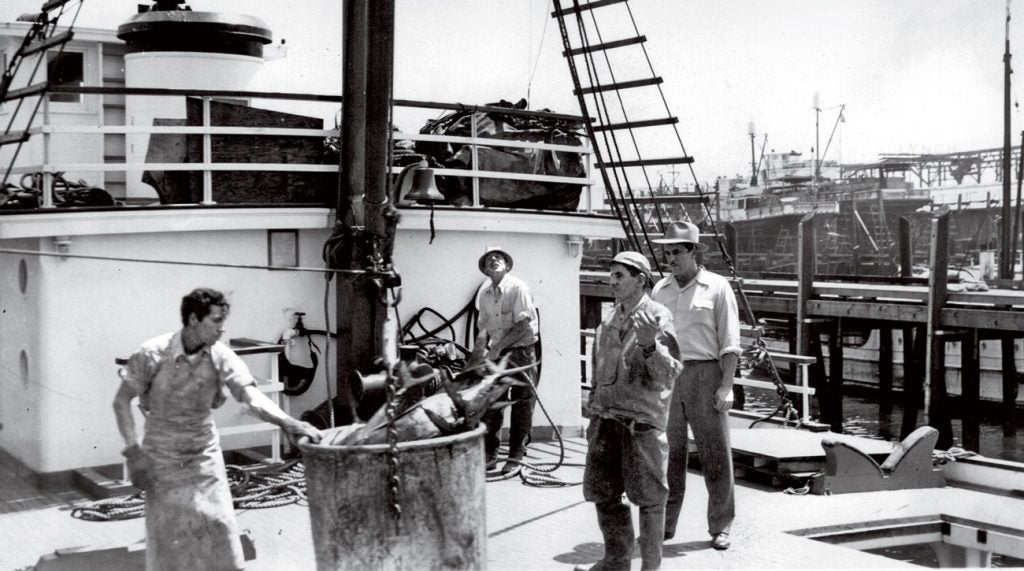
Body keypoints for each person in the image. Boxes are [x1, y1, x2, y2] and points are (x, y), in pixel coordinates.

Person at [112, 287, 323, 570]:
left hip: (203, 456)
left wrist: (289, 422)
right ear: (193, 319)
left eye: (224, 321)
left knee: (220, 527)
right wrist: (132, 452)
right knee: (167, 540)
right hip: (161, 458)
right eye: (215, 321)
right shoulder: (152, 354)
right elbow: (121, 401)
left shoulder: (221, 356)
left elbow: (251, 397)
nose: (222, 329)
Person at [579, 251, 683, 571]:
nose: (612, 281)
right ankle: (616, 560)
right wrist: (593, 412)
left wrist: (650, 344)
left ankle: (649, 569)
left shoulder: (658, 316)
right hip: (606, 420)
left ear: (640, 280)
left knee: (650, 500)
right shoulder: (609, 319)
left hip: (641, 425)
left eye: (619, 276)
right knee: (602, 492)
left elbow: (669, 372)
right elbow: (598, 372)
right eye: (611, 275)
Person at [651, 221, 742, 551]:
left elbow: (730, 342)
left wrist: (726, 386)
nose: (670, 257)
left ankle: (721, 526)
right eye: (666, 252)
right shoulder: (660, 290)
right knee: (669, 455)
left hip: (706, 375)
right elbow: (653, 338)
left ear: (693, 252)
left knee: (715, 455)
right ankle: (665, 525)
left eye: (676, 251)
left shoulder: (717, 287)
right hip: (669, 378)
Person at [469, 246, 539, 475]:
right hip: (497, 355)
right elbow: (483, 329)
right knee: (492, 404)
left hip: (521, 353)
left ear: (507, 266)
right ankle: (490, 455)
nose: (493, 260)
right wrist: (478, 356)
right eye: (489, 259)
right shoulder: (485, 295)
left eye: (498, 257)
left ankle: (516, 456)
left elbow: (524, 324)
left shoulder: (517, 288)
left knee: (521, 404)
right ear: (486, 271)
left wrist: (497, 347)